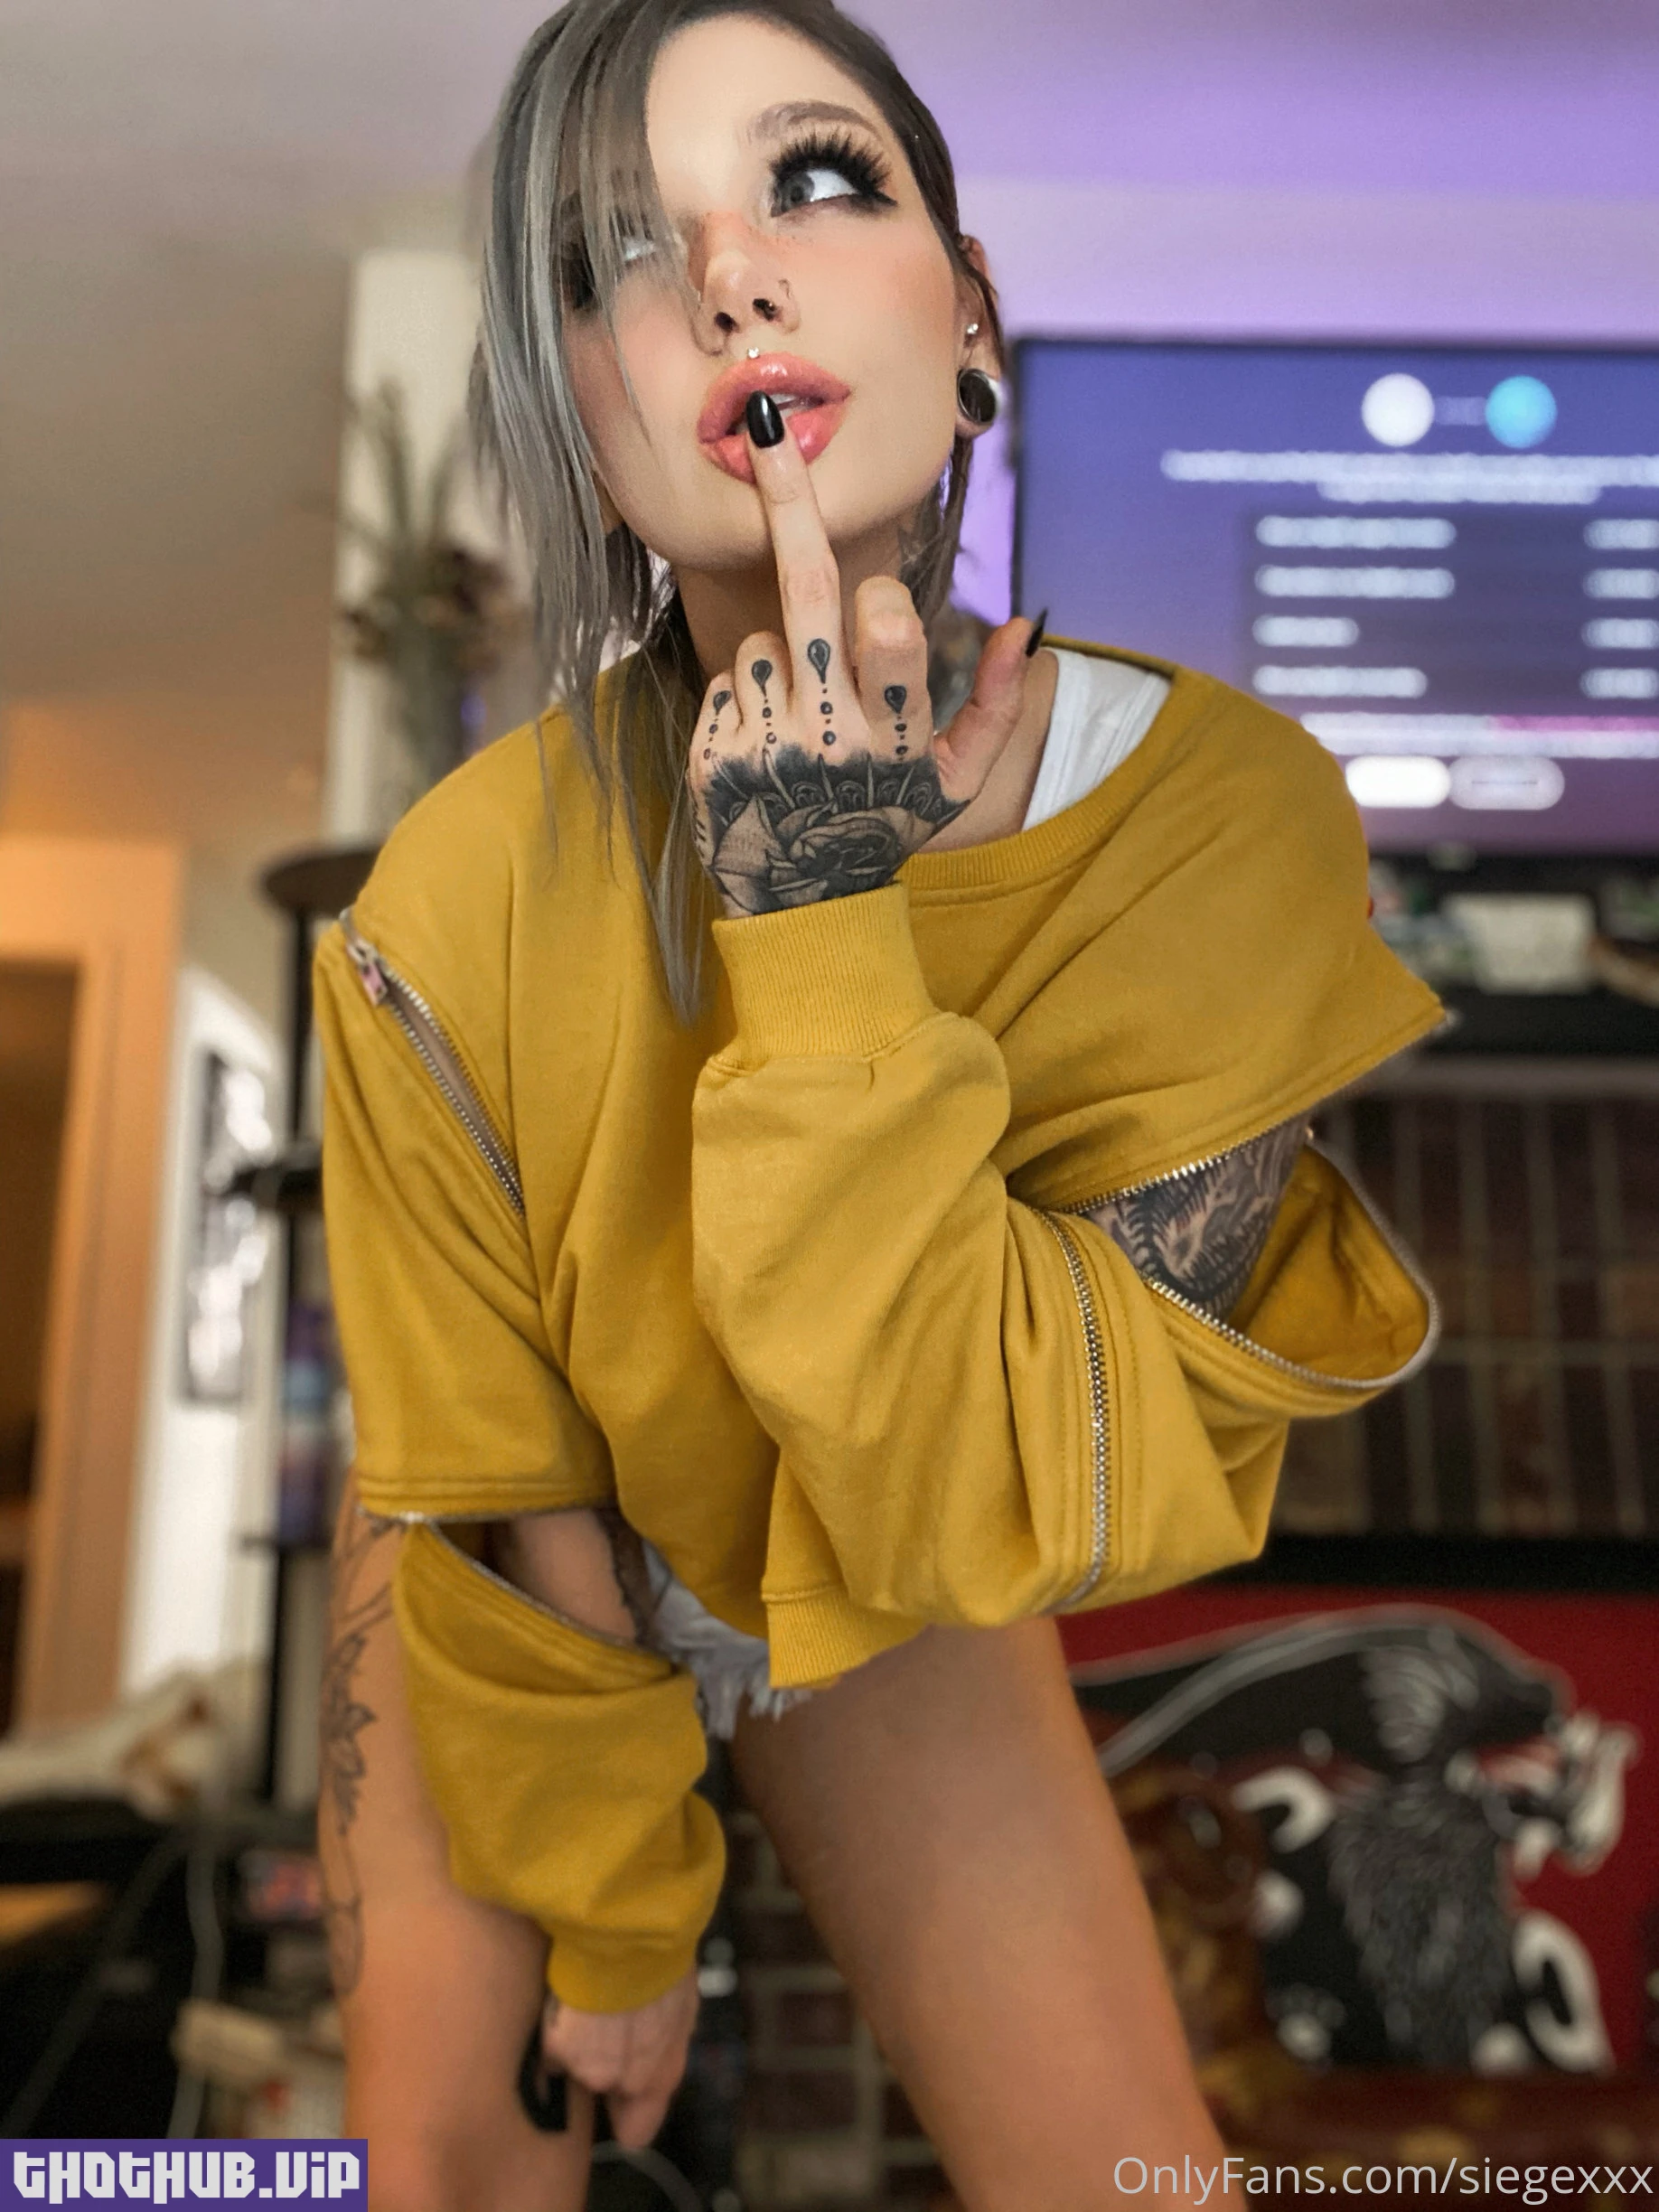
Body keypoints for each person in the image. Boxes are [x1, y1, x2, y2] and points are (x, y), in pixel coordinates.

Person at [312, 2, 1444, 2205]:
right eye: (620, 253)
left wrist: (816, 906)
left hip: (887, 1570)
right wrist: (621, 1910)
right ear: (580, 411)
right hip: (528, 1580)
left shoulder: (1219, 820)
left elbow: (984, 1493)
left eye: (817, 183)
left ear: (972, 306)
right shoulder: (444, 898)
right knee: (443, 2172)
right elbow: (514, 1469)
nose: (732, 278)